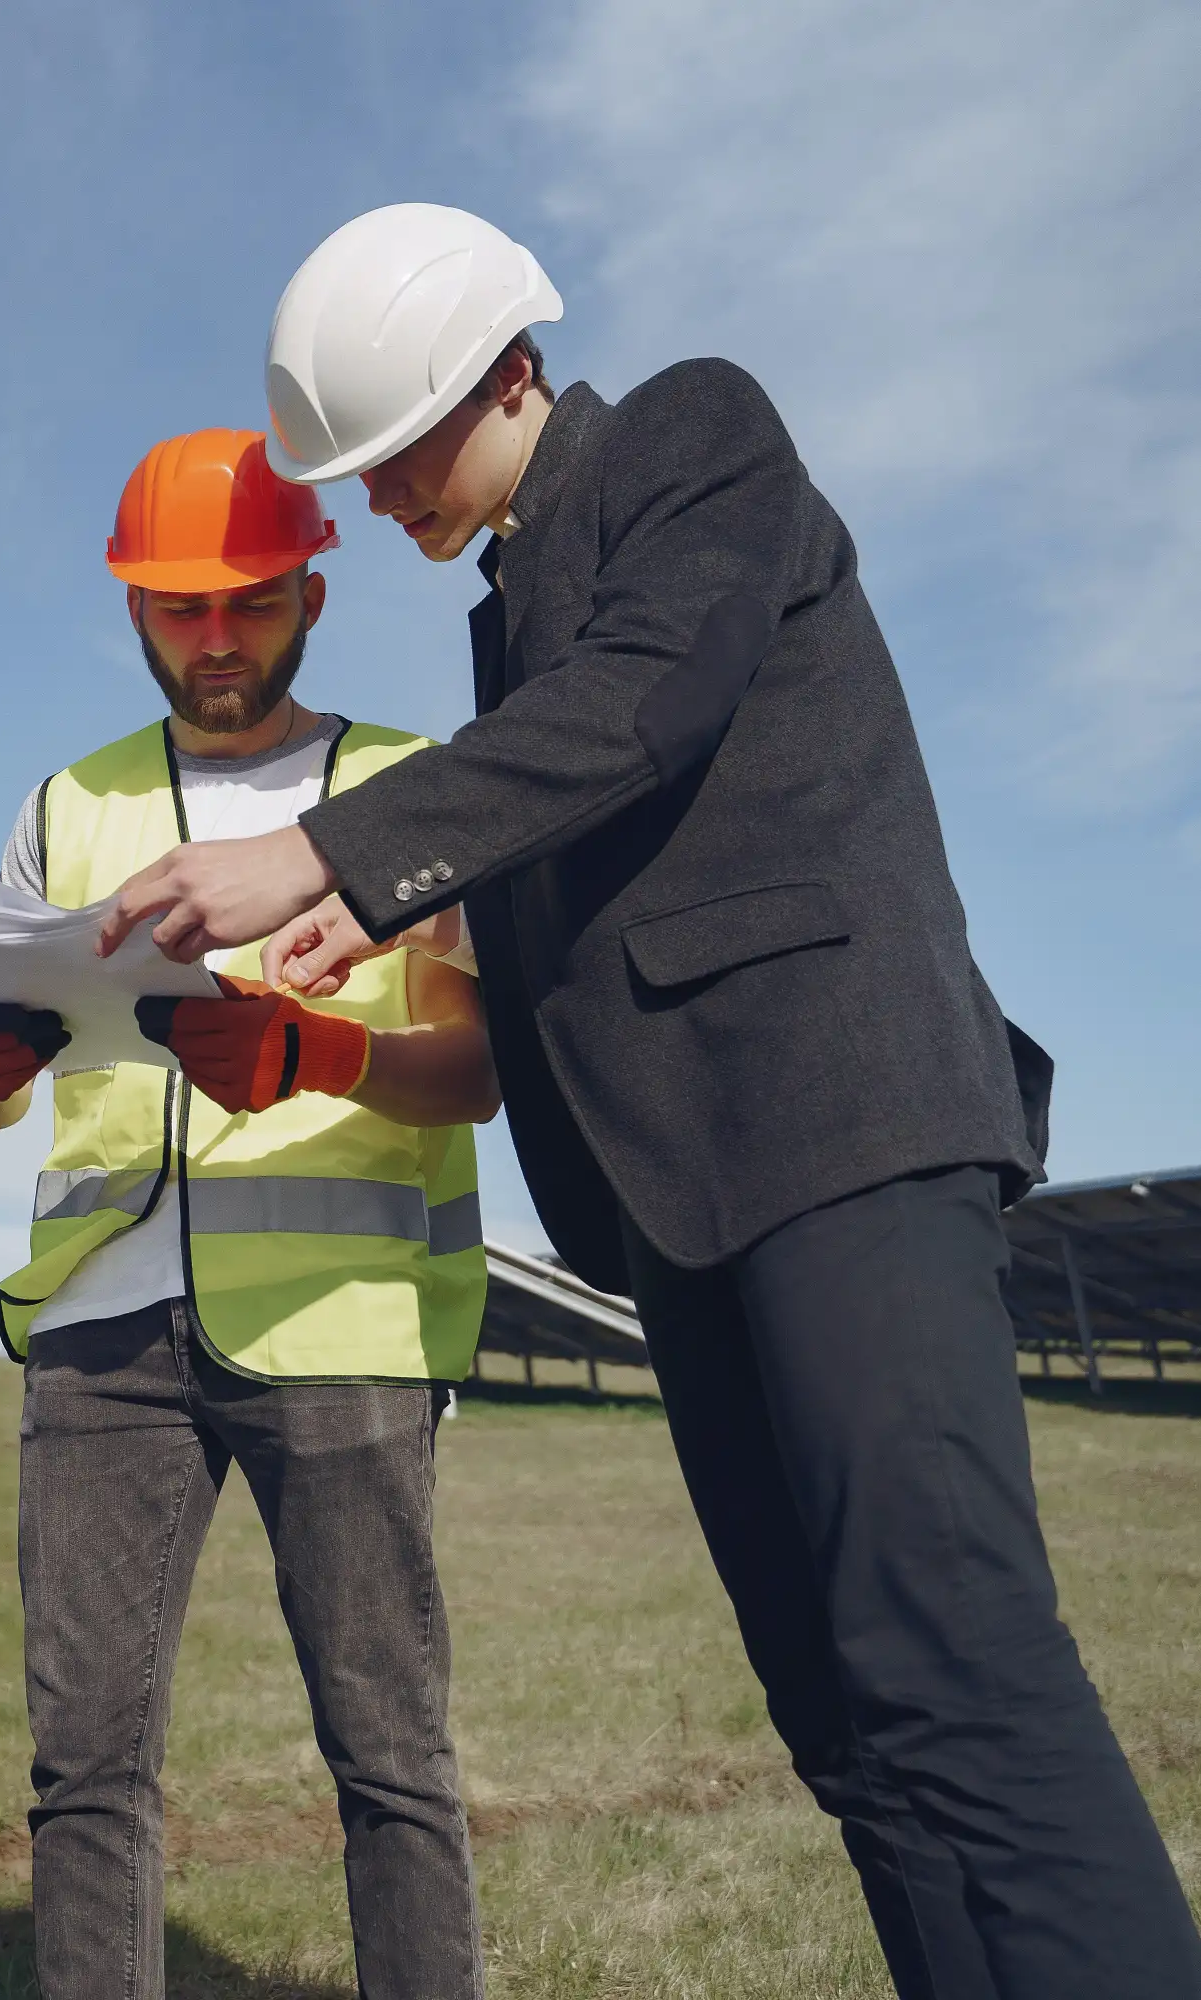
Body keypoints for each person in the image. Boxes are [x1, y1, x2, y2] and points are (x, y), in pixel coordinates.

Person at [92, 203, 1201, 1997]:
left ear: (511, 373)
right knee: (851, 1730)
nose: (375, 503)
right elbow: (597, 829)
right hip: (680, 1194)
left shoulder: (697, 433)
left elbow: (641, 710)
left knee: (957, 1670)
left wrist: (324, 856)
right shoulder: (514, 618)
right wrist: (424, 915)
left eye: (395, 454)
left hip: (841, 1128)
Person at [0, 427, 500, 2000]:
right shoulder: (76, 800)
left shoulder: (411, 788)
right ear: (132, 607)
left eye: (248, 601)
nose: (215, 640)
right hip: (103, 1333)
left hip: (345, 1323)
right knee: (84, 1770)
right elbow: (9, 1094)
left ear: (311, 590)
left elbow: (477, 1072)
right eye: (178, 608)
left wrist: (322, 1047)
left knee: (390, 1758)